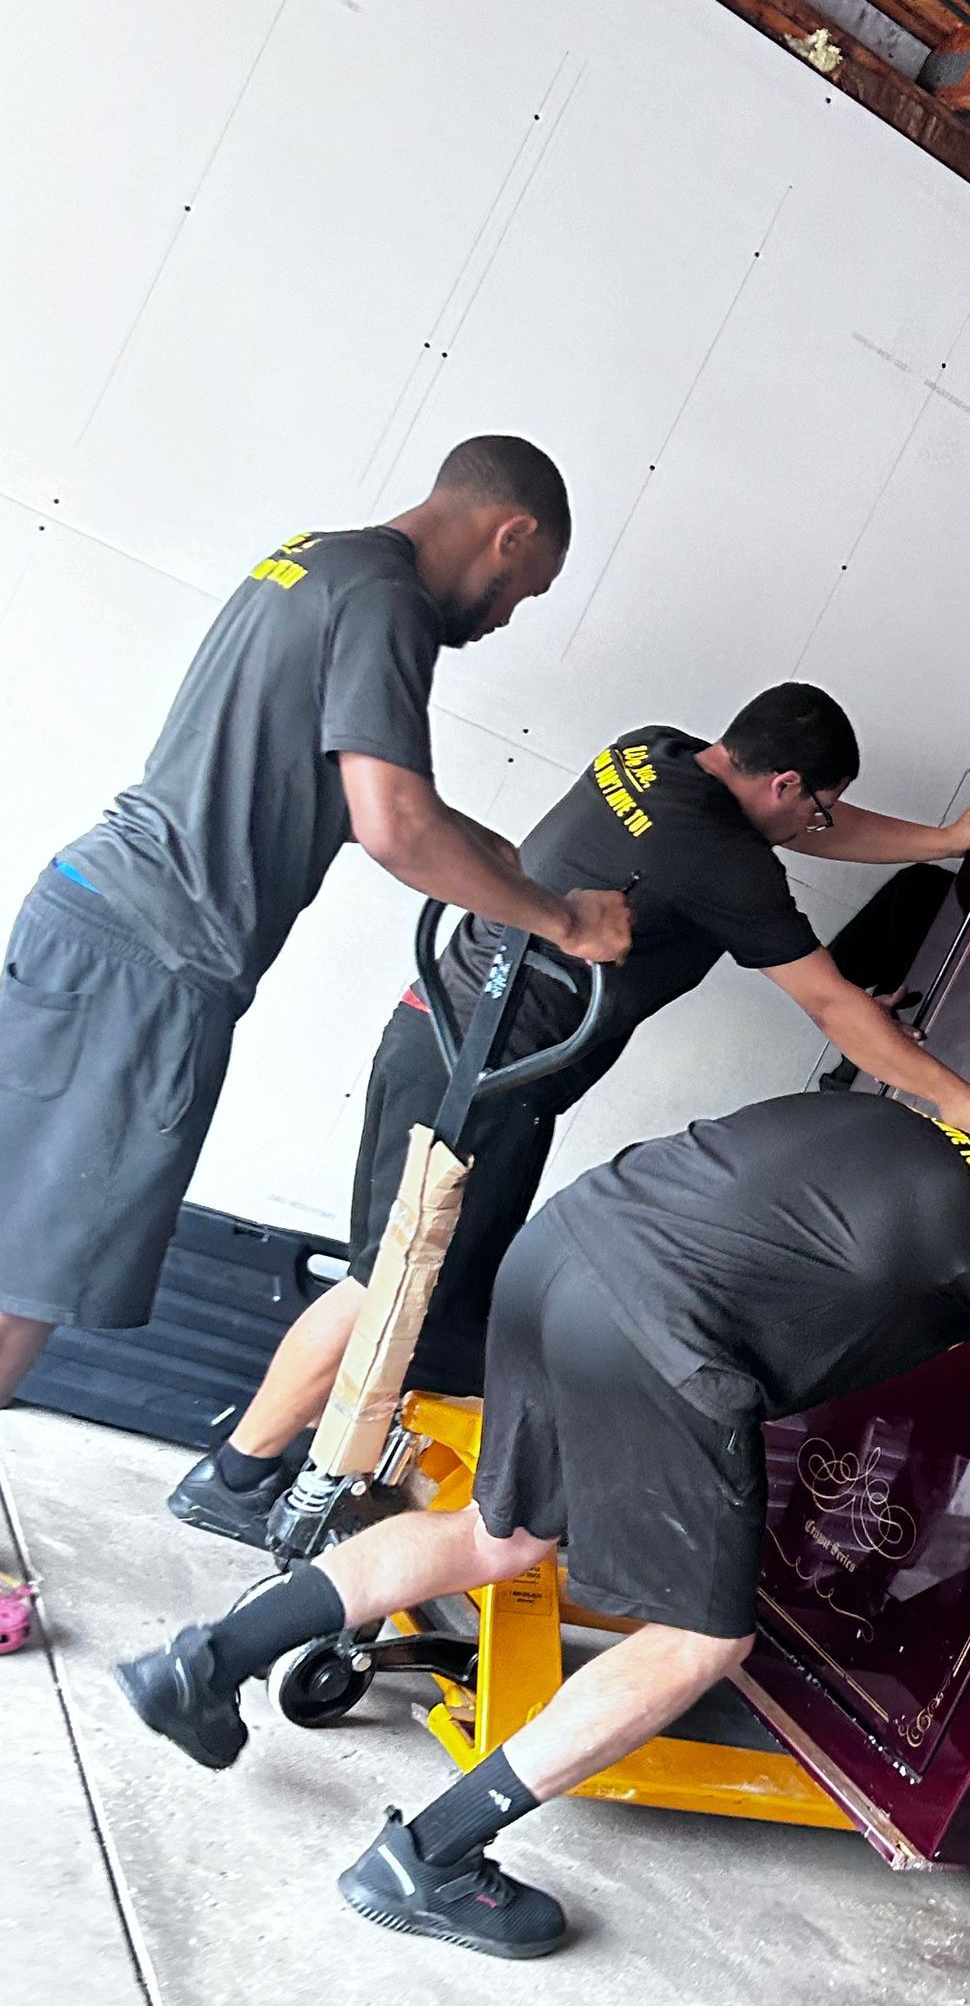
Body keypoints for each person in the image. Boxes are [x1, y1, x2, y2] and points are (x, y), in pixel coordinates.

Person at [118, 1097, 970, 1957]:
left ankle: (200, 1663)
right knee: (706, 1640)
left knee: (501, 1535)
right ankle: (432, 1858)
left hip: (563, 1254)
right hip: (663, 1335)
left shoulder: (915, 1131)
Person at [167, 686, 970, 1545]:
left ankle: (341, 1487)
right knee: (389, 1284)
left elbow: (811, 846)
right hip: (487, 1080)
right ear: (787, 783)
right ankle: (238, 1475)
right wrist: (957, 1097)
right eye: (817, 812)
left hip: (446, 1037)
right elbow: (831, 1006)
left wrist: (942, 841)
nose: (818, 830)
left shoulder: (651, 747)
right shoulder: (726, 860)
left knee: (433, 1296)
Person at [0, 437, 631, 1409]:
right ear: (513, 533)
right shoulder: (394, 604)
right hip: (152, 963)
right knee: (25, 1288)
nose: (505, 618)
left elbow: (341, 779)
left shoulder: (318, 558)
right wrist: (562, 917)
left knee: (13, 1252)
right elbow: (394, 826)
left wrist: (485, 848)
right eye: (522, 590)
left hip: (90, 916)